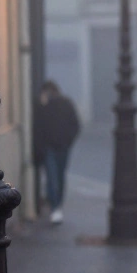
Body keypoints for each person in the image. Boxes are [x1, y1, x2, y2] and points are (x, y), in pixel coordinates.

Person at [34, 80, 80, 224]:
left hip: (59, 147)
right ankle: (56, 207)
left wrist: (68, 141)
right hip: (53, 148)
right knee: (55, 178)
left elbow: (75, 125)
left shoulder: (62, 104)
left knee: (57, 178)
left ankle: (56, 206)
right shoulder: (46, 106)